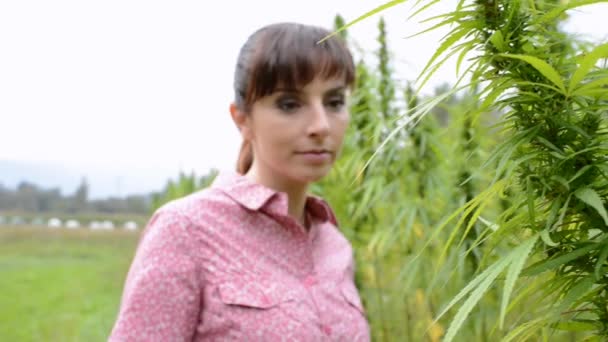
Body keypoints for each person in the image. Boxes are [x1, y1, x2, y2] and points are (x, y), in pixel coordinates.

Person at [109, 21, 370, 341]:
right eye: (290, 104)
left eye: (334, 103)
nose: (321, 126)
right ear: (242, 119)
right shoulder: (186, 231)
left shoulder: (333, 244)